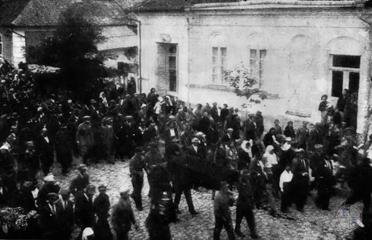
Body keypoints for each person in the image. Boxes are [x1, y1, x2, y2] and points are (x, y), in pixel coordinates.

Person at [235, 170, 258, 239]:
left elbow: (251, 191)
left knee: (251, 219)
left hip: (248, 204)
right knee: (239, 219)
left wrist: (252, 201)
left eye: (248, 174)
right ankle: (237, 229)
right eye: (246, 174)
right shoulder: (240, 182)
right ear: (243, 175)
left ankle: (253, 232)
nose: (248, 175)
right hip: (241, 204)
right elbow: (243, 193)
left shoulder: (248, 181)